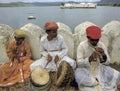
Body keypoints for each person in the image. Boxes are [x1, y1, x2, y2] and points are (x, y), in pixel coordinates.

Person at [75, 25, 120, 91]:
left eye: (97, 40)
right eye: (92, 40)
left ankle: (97, 82)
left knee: (116, 74)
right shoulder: (81, 46)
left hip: (99, 68)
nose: (95, 42)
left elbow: (107, 62)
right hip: (86, 70)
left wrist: (103, 55)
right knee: (78, 76)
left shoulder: (101, 45)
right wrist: (90, 58)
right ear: (88, 37)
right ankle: (97, 82)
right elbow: (79, 64)